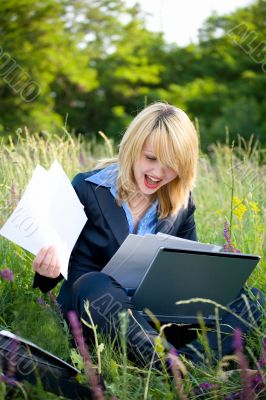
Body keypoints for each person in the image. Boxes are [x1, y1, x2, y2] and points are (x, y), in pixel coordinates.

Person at [32, 102, 264, 369]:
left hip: (158, 316)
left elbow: (188, 268)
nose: (157, 173)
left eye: (171, 165)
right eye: (151, 159)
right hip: (97, 313)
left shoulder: (182, 203)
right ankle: (173, 365)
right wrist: (46, 271)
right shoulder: (86, 188)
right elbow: (52, 273)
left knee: (252, 298)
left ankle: (189, 364)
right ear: (133, 147)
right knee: (94, 284)